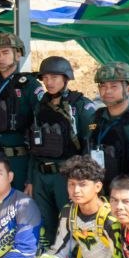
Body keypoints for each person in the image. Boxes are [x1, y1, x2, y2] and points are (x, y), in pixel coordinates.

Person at [28, 56, 97, 244]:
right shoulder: (40, 106)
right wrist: (30, 179)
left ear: (66, 78)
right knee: (45, 223)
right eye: (45, 78)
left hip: (66, 175)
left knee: (70, 222)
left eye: (54, 77)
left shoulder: (80, 105)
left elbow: (89, 145)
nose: (48, 82)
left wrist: (84, 180)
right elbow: (34, 145)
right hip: (41, 174)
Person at [0, 32, 40, 191]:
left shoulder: (30, 85)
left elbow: (38, 128)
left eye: (5, 52)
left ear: (18, 54)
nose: (0, 58)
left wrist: (31, 177)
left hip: (20, 159)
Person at [86, 62, 129, 185]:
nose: (107, 91)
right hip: (98, 185)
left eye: (114, 86)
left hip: (128, 189)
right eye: (103, 86)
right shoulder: (96, 118)